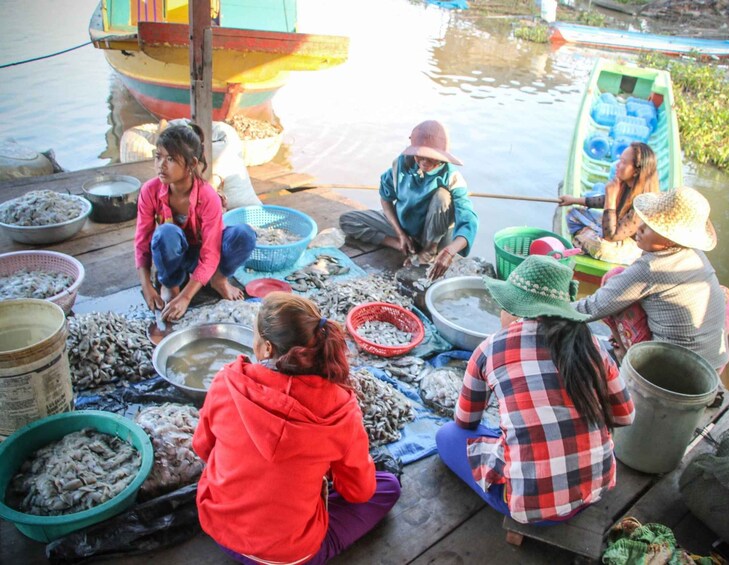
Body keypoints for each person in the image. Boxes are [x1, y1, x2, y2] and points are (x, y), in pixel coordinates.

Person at [193, 292, 401, 565]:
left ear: (267, 348)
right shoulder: (340, 409)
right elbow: (359, 492)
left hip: (218, 526)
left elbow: (203, 448)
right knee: (388, 487)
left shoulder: (227, 381)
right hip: (288, 556)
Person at [436, 255, 635, 524]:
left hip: (531, 508)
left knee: (447, 436)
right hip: (595, 489)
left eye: (504, 306)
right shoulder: (591, 344)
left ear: (518, 309)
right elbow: (625, 416)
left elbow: (465, 422)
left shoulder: (489, 348)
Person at [573, 186, 729, 372]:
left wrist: (545, 311)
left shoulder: (652, 266)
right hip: (714, 367)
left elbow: (591, 308)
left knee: (613, 278)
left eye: (650, 227)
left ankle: (626, 356)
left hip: (671, 371)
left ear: (671, 239)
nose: (639, 228)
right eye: (644, 221)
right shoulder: (696, 256)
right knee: (724, 293)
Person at [134, 122, 257, 322]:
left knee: (244, 235)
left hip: (208, 256)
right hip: (175, 253)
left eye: (171, 159)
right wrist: (146, 286)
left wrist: (186, 297)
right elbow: (142, 241)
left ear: (191, 164)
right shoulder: (150, 190)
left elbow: (210, 254)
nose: (161, 165)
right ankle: (171, 283)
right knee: (166, 233)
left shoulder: (208, 196)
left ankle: (218, 278)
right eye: (159, 157)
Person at [339, 120, 479, 280]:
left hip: (434, 235)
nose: (425, 162)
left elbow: (469, 220)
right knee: (348, 220)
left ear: (441, 157)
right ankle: (402, 246)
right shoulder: (400, 165)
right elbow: (385, 199)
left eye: (431, 157)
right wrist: (400, 234)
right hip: (405, 227)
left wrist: (450, 251)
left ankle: (427, 252)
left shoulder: (452, 176)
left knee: (442, 196)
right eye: (421, 156)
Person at [558, 142, 659, 265]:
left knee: (601, 246)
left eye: (623, 162)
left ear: (636, 171)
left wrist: (611, 197)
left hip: (629, 245)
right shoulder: (627, 185)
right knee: (573, 214)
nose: (617, 165)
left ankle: (586, 238)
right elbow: (603, 200)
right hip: (614, 230)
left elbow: (611, 237)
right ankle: (587, 237)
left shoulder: (643, 203)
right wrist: (573, 200)